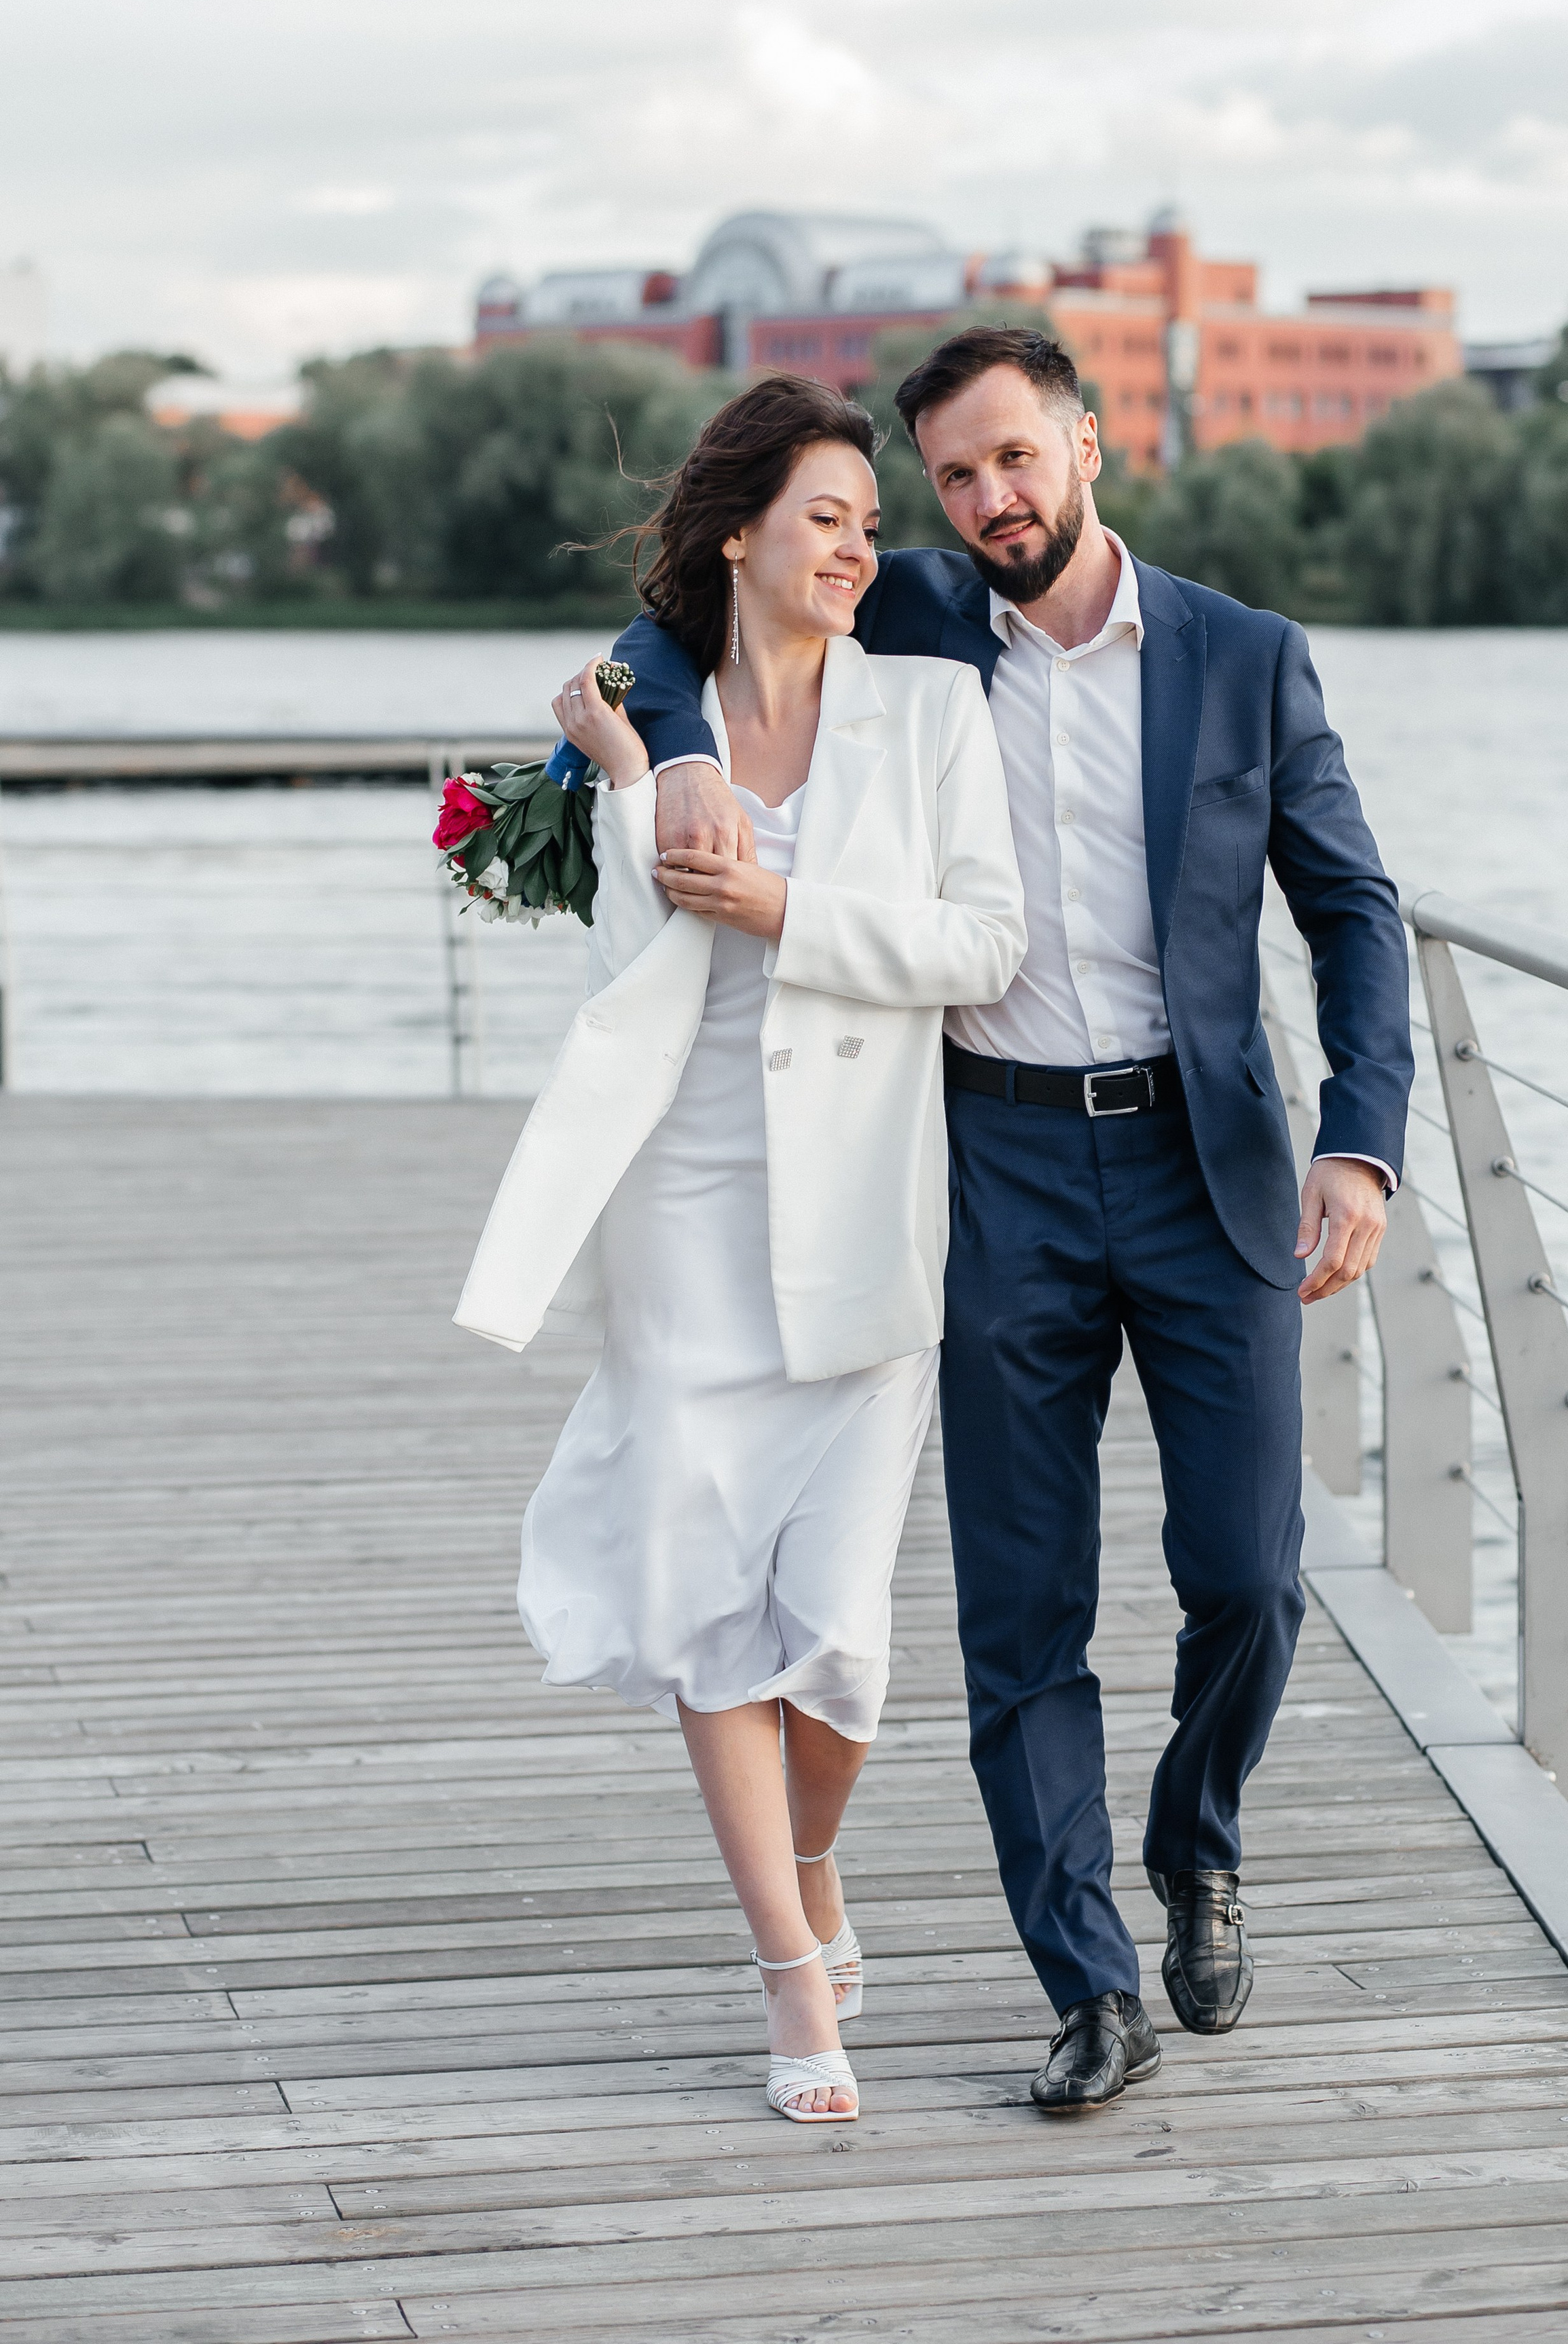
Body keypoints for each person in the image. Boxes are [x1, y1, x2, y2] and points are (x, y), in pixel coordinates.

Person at [603, 328, 1412, 2114]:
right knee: (1021, 1610)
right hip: (994, 1171)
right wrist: (677, 750)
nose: (986, 502)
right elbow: (659, 628)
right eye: (955, 477)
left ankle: (1196, 1840)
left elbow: (1354, 912)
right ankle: (1089, 1983)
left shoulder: (1246, 658)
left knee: (1251, 1575)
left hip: (1208, 1168)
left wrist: (1363, 1145)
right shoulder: (908, 609)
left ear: (1087, 444)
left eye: (1012, 460)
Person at [453, 376, 1025, 2125]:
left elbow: (986, 948)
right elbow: (628, 956)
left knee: (840, 1638)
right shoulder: (645, 716)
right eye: (825, 520)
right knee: (711, 1607)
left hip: (864, 1207)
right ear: (736, 540)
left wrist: (791, 907)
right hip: (687, 1203)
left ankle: (816, 1860)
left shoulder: (933, 710)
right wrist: (643, 777)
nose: (859, 550)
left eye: (871, 522)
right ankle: (790, 1972)